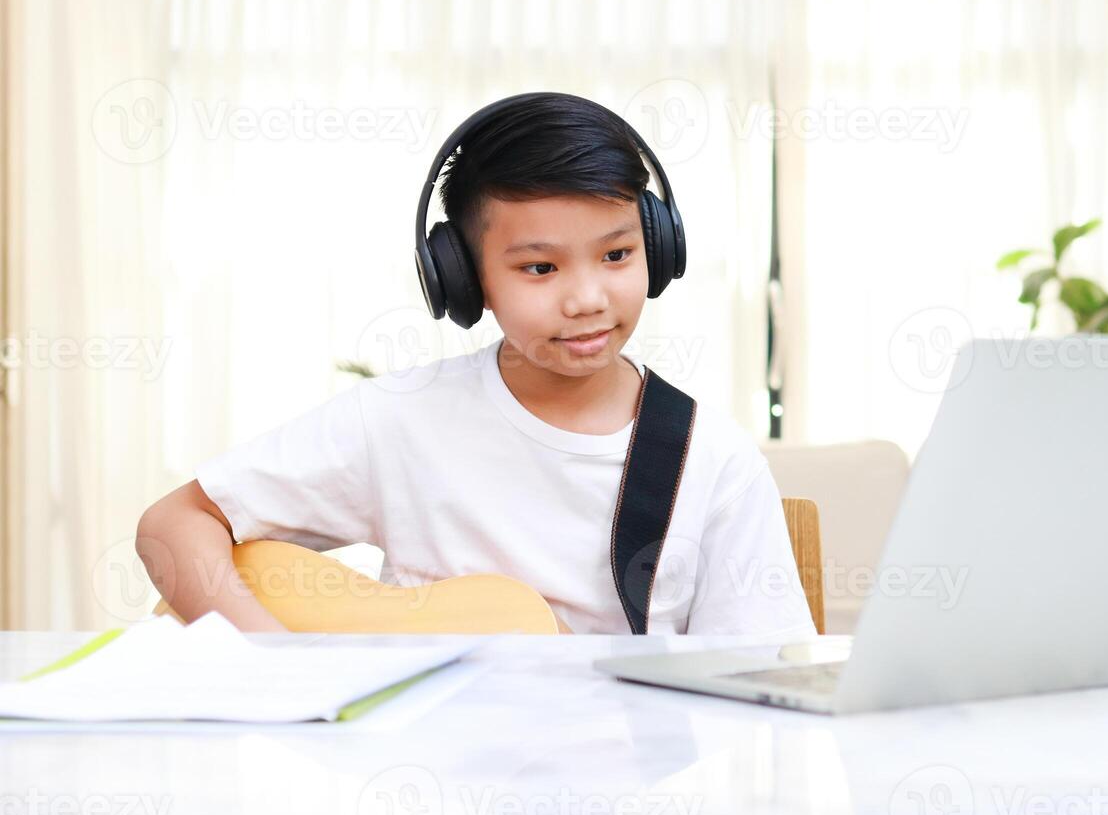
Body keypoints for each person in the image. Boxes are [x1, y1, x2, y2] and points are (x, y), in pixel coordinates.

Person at [135, 92, 816, 641]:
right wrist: (273, 666)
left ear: (659, 251)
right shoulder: (402, 419)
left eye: (617, 256)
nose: (587, 298)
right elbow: (173, 525)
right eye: (540, 268)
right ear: (463, 280)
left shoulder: (713, 461)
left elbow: (759, 688)